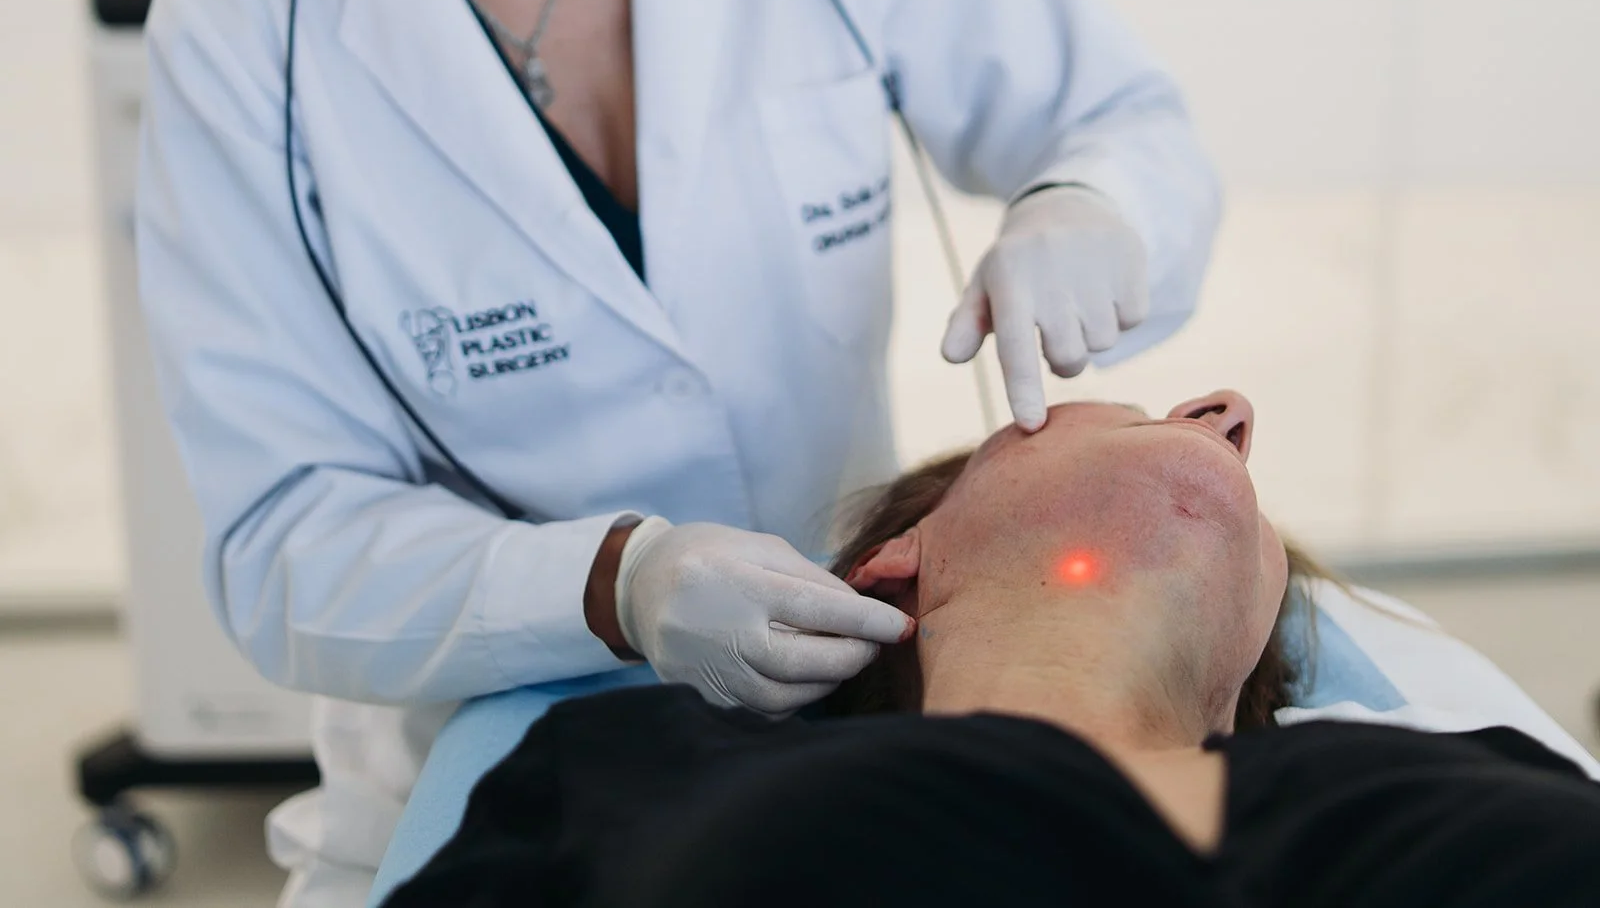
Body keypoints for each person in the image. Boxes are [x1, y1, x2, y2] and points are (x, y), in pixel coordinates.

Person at [134, 0, 1219, 902]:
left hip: (861, 705)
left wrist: (1092, 205)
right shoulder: (241, 17)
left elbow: (1120, 120)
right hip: (487, 747)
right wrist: (617, 583)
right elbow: (287, 541)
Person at [385, 391, 1600, 907]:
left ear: (1242, 687)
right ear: (899, 563)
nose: (1225, 413)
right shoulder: (630, 763)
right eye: (1128, 412)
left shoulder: (1473, 774)